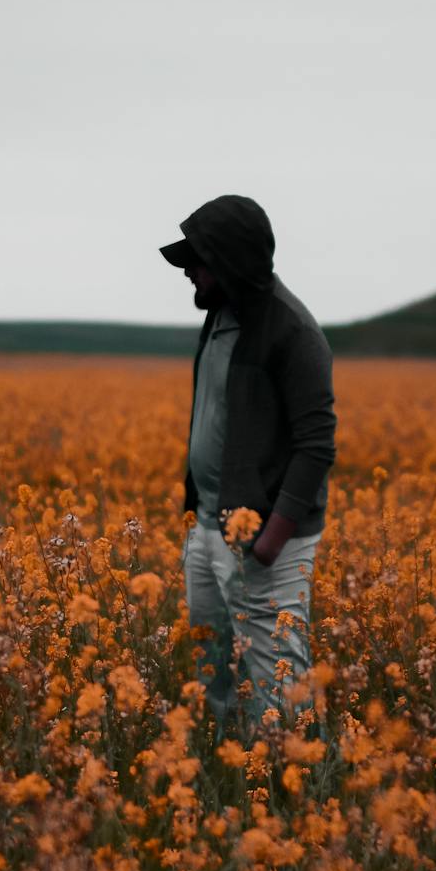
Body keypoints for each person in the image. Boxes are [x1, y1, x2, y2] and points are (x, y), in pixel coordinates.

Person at [158, 194, 336, 734]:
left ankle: (295, 784)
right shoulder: (218, 316)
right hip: (209, 527)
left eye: (198, 260)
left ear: (230, 262)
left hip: (267, 541)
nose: (189, 271)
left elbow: (317, 444)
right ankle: (232, 770)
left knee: (277, 676)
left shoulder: (292, 331)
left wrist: (270, 541)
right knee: (210, 666)